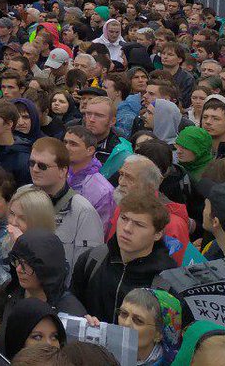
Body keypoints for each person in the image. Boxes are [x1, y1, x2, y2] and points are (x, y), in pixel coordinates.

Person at [69, 191, 174, 323]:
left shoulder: (167, 280)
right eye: (124, 218)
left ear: (158, 234)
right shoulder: (92, 258)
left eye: (139, 224)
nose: (127, 228)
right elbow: (71, 301)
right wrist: (82, 317)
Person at [27, 137, 104, 269]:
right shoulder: (22, 196)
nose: (34, 169)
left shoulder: (84, 212)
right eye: (31, 163)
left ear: (63, 171)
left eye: (42, 166)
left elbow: (85, 266)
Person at [63, 126, 115, 228]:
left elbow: (100, 231)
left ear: (90, 150)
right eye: (65, 142)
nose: (66, 147)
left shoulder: (103, 191)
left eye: (73, 144)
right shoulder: (57, 173)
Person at [115, 288, 181, 366]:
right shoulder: (106, 347)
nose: (126, 323)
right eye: (124, 313)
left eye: (138, 320)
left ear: (159, 334)